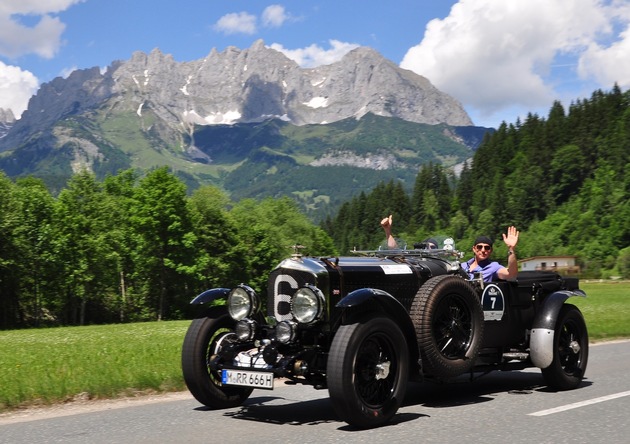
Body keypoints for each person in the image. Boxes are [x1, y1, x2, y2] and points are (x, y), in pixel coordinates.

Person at [380, 214, 519, 282]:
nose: (483, 250)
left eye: (487, 248)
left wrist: (511, 249)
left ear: (490, 251)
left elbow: (511, 274)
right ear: (474, 249)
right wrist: (388, 232)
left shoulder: (493, 267)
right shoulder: (461, 266)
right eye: (480, 247)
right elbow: (398, 255)